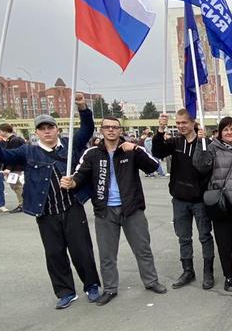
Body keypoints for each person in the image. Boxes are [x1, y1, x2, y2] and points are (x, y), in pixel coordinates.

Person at [0, 95, 101, 309]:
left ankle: (91, 285)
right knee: (55, 254)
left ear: (57, 129)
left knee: (82, 250)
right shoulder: (28, 151)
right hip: (46, 212)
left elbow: (87, 129)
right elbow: (4, 156)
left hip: (72, 207)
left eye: (50, 127)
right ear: (36, 132)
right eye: (42, 128)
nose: (47, 131)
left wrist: (82, 107)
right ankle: (66, 292)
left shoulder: (69, 144)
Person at [62, 115, 166, 305]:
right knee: (107, 254)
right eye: (107, 127)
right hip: (105, 211)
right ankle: (110, 288)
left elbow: (153, 166)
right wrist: (72, 182)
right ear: (101, 130)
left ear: (120, 130)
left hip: (132, 208)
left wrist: (136, 149)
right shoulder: (92, 153)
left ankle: (151, 281)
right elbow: (80, 175)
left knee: (143, 249)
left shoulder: (130, 149)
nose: (111, 130)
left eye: (115, 127)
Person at [152, 109, 215, 290]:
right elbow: (158, 152)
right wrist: (160, 130)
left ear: (193, 122)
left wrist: (203, 142)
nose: (181, 126)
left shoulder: (205, 143)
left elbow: (207, 167)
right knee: (183, 237)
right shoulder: (175, 142)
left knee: (205, 236)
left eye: (184, 123)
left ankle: (208, 271)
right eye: (178, 123)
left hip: (200, 199)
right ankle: (188, 270)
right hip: (179, 198)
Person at [194, 116, 232, 292]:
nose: (229, 132)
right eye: (225, 129)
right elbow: (200, 166)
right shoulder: (212, 148)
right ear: (220, 133)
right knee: (224, 244)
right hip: (220, 204)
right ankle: (229, 277)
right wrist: (199, 143)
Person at [0, 124, 26, 212]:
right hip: (15, 167)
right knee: (15, 186)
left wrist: (9, 168)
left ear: (5, 131)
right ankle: (22, 203)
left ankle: (22, 204)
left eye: (0, 131)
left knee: (17, 186)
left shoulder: (14, 140)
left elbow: (14, 156)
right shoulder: (12, 140)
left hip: (15, 167)